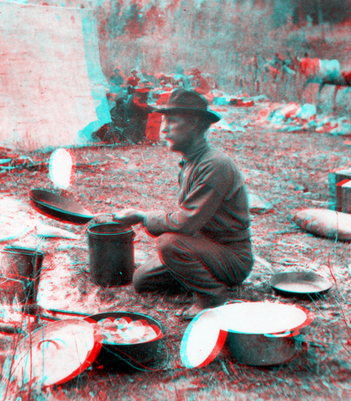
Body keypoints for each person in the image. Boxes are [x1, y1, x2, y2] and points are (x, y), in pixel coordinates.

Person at [110, 89, 254, 319]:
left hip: (233, 257)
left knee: (169, 243)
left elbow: (185, 223)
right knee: (142, 280)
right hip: (204, 246)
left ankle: (212, 296)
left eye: (172, 121)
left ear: (196, 124)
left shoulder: (215, 165)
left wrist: (142, 217)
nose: (164, 128)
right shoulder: (191, 162)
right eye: (164, 120)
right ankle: (199, 275)